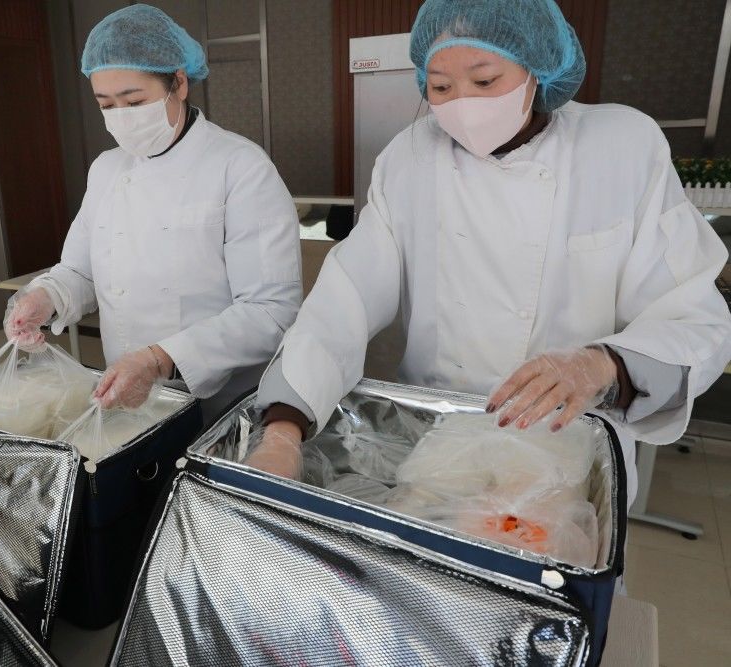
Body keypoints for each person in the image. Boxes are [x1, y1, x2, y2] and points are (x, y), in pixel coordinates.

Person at [246, 0, 731, 505]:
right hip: (440, 446)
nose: (463, 105)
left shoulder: (621, 147)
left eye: (484, 81)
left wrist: (601, 366)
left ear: (538, 68)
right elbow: (344, 299)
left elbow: (694, 316)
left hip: (567, 452)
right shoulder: (409, 158)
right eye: (440, 87)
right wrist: (283, 428)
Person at [4, 4, 302, 419]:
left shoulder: (240, 167)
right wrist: (46, 297)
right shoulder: (106, 169)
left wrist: (159, 359)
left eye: (134, 100)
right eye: (106, 104)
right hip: (126, 393)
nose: (121, 117)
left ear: (178, 82)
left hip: (220, 400)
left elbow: (271, 311)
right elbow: (81, 271)